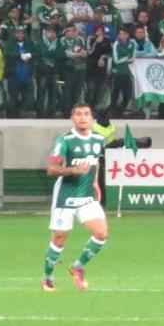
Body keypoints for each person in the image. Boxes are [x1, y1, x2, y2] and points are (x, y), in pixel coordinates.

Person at [42, 103, 110, 292]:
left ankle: (78, 267)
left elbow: (94, 164)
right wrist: (73, 170)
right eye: (78, 114)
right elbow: (51, 169)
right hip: (66, 196)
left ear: (92, 119)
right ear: (72, 118)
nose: (82, 117)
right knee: (59, 239)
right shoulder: (65, 140)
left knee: (101, 234)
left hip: (87, 195)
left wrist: (95, 183)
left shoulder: (98, 139)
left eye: (86, 114)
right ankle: (47, 277)